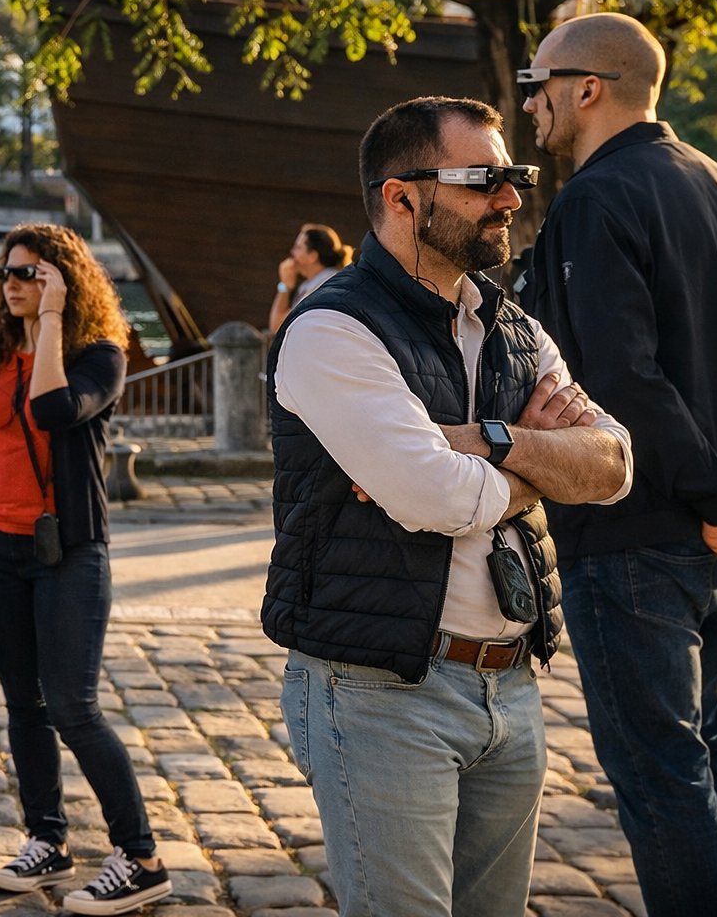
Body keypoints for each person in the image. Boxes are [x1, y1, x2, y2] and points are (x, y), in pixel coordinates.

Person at [265, 96, 634, 917]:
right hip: (381, 690)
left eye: (516, 176)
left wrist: (485, 440)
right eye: (484, 179)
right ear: (402, 198)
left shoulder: (513, 327)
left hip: (512, 684)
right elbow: (433, 497)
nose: (511, 197)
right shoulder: (333, 329)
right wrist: (540, 467)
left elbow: (613, 467)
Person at [519, 12, 717, 917]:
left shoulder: (595, 197)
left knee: (664, 779)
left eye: (536, 81)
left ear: (587, 88)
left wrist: (714, 495)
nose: (530, 103)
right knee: (710, 752)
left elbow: (624, 376)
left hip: (638, 532)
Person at [0, 224, 170, 915]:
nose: (15, 285)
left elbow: (53, 410)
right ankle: (47, 840)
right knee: (22, 705)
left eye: (31, 274)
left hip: (69, 553)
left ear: (65, 279)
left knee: (73, 708)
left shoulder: (99, 356)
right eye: (7, 274)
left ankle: (141, 856)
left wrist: (51, 322)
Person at [266, 223, 353, 332]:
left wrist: (285, 286)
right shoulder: (311, 284)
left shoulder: (323, 285)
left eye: (298, 248)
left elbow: (277, 325)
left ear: (312, 256)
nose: (292, 253)